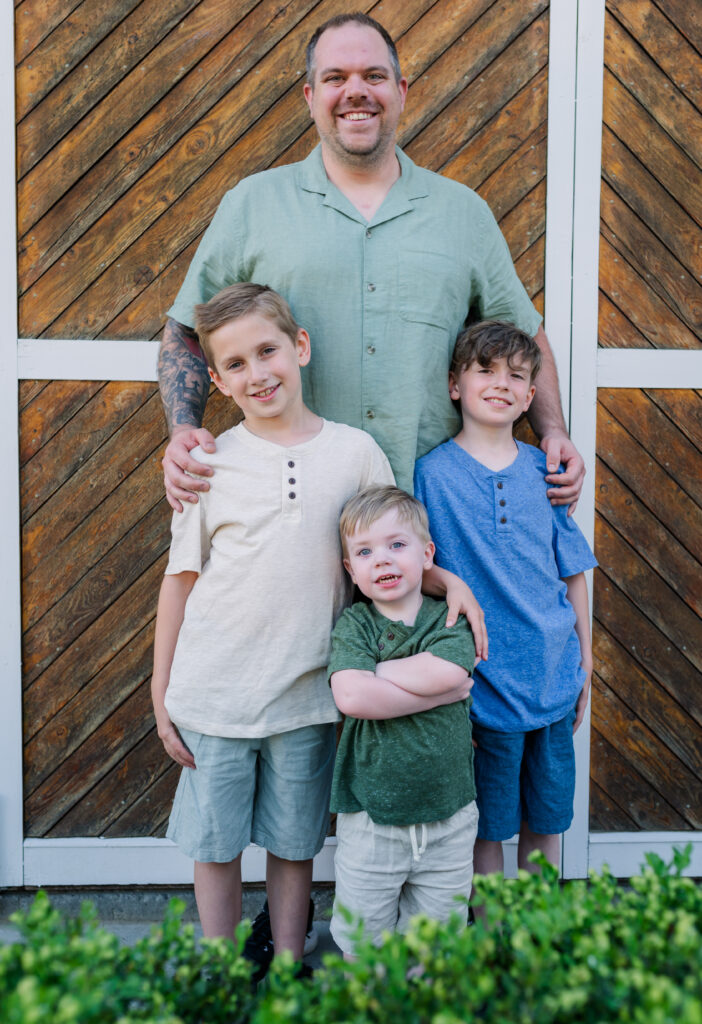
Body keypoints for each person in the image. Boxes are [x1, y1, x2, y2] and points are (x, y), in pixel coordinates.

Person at [158, 12, 585, 529]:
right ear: (310, 96)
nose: (355, 91)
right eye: (336, 78)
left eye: (374, 77)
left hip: (432, 513)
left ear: (401, 91)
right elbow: (185, 328)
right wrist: (183, 428)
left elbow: (524, 333)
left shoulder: (461, 212)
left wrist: (553, 432)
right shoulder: (253, 204)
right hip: (291, 514)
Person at [151, 282, 394, 978]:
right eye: (236, 364)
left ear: (301, 348)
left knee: (295, 844)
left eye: (268, 351)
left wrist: (451, 584)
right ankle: (224, 967)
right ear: (220, 382)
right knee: (217, 843)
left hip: (309, 694)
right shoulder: (208, 463)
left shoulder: (356, 454)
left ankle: (289, 964)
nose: (258, 373)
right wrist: (161, 686)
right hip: (215, 694)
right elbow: (180, 579)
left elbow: (391, 557)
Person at [414, 321, 597, 878]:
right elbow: (420, 569)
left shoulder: (545, 471)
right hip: (483, 687)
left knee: (546, 819)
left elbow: (573, 573)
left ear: (530, 395)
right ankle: (492, 938)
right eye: (485, 371)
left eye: (517, 375)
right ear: (455, 385)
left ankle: (533, 939)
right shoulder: (431, 474)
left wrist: (586, 661)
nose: (502, 384)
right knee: (486, 824)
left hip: (552, 678)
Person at [328, 485, 478, 957]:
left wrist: (376, 675)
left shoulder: (448, 618)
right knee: (362, 941)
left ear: (427, 553)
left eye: (397, 545)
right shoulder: (355, 624)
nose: (383, 560)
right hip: (372, 818)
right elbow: (351, 695)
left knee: (435, 947)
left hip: (449, 817)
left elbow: (450, 671)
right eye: (366, 551)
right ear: (351, 569)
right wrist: (436, 693)